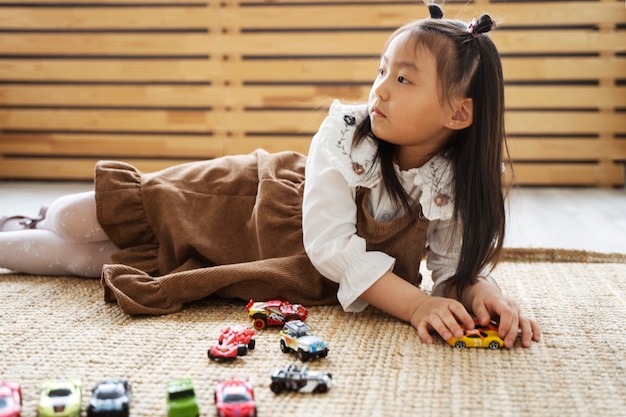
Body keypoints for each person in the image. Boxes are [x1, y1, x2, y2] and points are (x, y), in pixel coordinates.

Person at [0, 3, 540, 348]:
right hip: (242, 202)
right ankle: (27, 216)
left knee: (86, 261)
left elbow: (450, 270)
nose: (379, 89)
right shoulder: (346, 133)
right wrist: (417, 304)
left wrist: (480, 291)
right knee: (73, 219)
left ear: (458, 114)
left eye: (403, 79)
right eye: (381, 70)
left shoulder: (451, 184)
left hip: (276, 263)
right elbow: (330, 242)